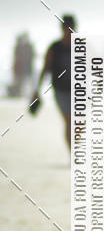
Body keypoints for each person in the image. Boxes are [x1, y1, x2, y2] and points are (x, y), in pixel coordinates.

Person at [31, 15, 77, 149]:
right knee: (69, 120)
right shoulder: (55, 47)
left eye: (71, 27)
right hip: (61, 90)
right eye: (66, 27)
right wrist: (37, 89)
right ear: (62, 28)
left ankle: (76, 147)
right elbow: (46, 68)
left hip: (80, 90)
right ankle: (73, 152)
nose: (69, 30)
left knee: (79, 122)